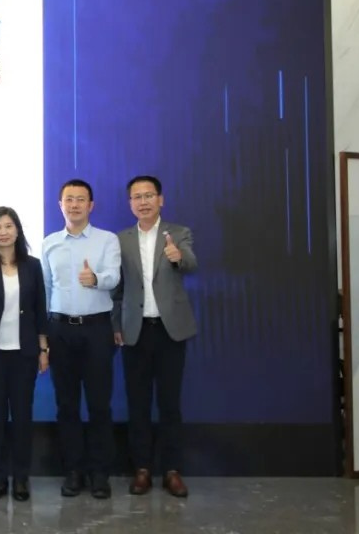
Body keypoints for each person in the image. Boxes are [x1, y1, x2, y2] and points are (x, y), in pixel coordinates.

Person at [111, 175, 198, 498]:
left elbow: (191, 263)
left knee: (169, 403)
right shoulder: (121, 240)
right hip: (135, 330)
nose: (143, 201)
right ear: (130, 203)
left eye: (149, 195)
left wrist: (178, 257)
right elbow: (118, 290)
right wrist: (116, 325)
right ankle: (142, 469)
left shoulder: (178, 232)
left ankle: (172, 470)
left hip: (169, 330)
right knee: (138, 404)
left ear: (160, 199)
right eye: (137, 197)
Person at [41, 179, 121, 498]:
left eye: (80, 199)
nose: (74, 205)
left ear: (91, 205)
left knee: (99, 404)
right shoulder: (49, 244)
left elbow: (114, 277)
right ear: (60, 205)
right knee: (67, 404)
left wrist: (96, 278)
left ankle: (100, 473)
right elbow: (46, 290)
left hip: (97, 330)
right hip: (60, 330)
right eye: (69, 199)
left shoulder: (107, 240)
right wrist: (44, 336)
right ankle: (73, 471)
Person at [0, 206, 49, 502]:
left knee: (23, 416)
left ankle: (22, 478)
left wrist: (43, 348)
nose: (3, 232)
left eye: (8, 226)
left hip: (24, 352)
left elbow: (39, 307)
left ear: (17, 230)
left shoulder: (32, 266)